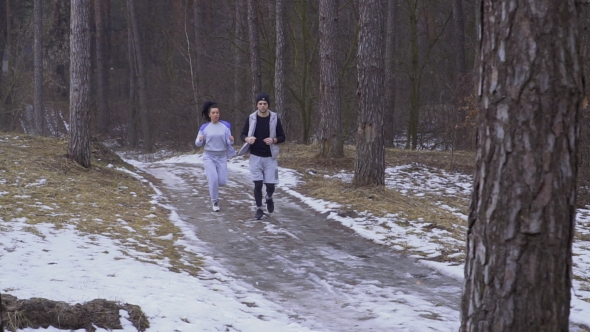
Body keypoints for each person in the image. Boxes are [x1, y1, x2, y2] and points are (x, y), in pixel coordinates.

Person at [238, 92, 286, 220]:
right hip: (255, 156)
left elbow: (282, 137)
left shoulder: (275, 118)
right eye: (260, 104)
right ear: (257, 105)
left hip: (271, 157)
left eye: (265, 104)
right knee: (258, 184)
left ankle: (269, 197)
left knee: (271, 184)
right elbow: (242, 134)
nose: (263, 106)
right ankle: (259, 209)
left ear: (268, 105)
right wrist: (248, 139)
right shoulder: (251, 118)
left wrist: (274, 140)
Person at [195, 101, 236, 212]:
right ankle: (215, 201)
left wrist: (231, 140)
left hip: (222, 156)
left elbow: (228, 142)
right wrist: (200, 140)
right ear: (209, 114)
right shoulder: (204, 128)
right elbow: (197, 144)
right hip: (209, 156)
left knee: (221, 181)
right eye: (213, 113)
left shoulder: (225, 126)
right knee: (213, 179)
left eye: (217, 112)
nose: (216, 115)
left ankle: (213, 183)